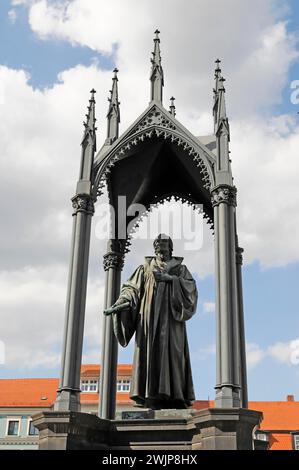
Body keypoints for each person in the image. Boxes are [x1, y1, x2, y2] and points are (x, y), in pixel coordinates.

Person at [111, 233, 198, 409]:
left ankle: (177, 396)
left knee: (174, 354)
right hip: (148, 320)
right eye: (157, 242)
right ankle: (148, 396)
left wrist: (171, 280)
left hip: (172, 321)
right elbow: (131, 288)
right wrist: (124, 300)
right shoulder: (145, 268)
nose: (160, 244)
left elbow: (191, 289)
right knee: (148, 353)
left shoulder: (181, 269)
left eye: (164, 242)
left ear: (170, 247)